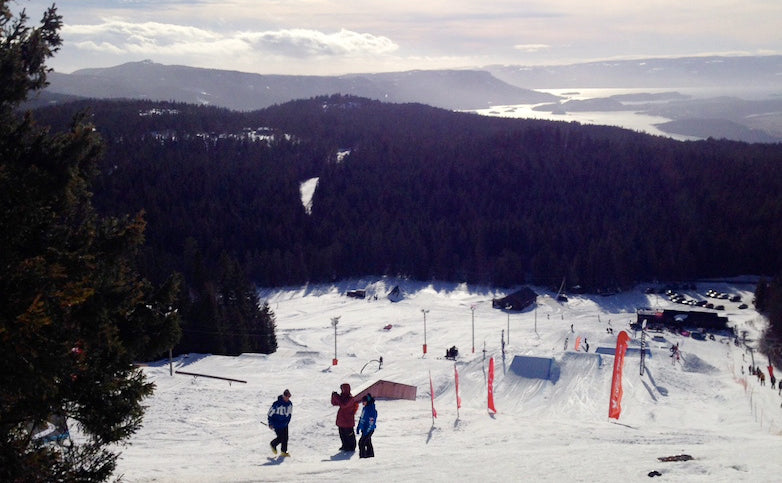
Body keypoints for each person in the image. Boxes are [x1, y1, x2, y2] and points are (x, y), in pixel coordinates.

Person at [331, 383, 359, 451]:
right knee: (342, 434)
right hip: (341, 420)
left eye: (342, 389)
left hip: (348, 420)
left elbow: (344, 405)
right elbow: (334, 403)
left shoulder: (350, 398)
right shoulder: (342, 397)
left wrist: (337, 397)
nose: (341, 390)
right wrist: (333, 396)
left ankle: (351, 447)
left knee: (349, 434)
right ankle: (345, 445)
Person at [268, 389, 293, 457]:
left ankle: (284, 452)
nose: (288, 398)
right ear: (283, 396)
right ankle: (273, 444)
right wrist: (270, 423)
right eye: (287, 396)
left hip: (285, 424)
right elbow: (270, 414)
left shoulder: (290, 404)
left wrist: (287, 421)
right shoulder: (277, 404)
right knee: (281, 438)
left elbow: (290, 414)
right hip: (277, 424)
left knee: (286, 438)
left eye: (289, 397)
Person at [357, 393, 377, 459]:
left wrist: (367, 430)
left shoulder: (371, 410)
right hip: (364, 429)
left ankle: (363, 457)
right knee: (367, 442)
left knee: (361, 443)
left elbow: (371, 422)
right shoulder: (365, 408)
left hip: (369, 429)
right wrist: (359, 426)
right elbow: (362, 418)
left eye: (364, 402)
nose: (362, 403)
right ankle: (370, 455)